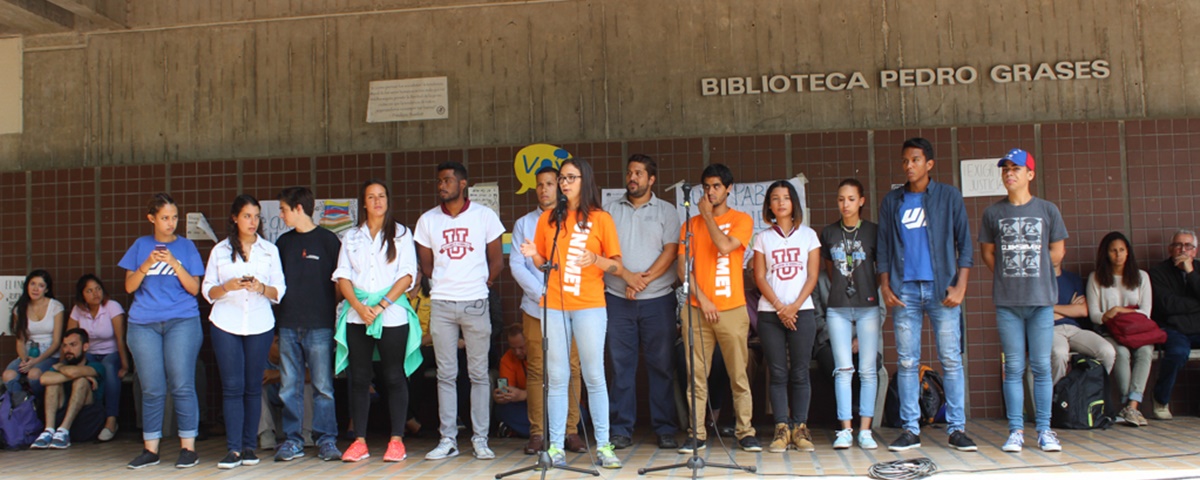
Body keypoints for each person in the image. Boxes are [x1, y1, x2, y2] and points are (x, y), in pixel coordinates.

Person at [519, 158, 626, 468]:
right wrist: (533, 255)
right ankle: (555, 447)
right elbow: (543, 263)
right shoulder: (549, 219)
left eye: (570, 177)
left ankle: (604, 445)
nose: (564, 183)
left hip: (590, 305)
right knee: (556, 377)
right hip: (553, 304)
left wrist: (596, 258)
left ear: (584, 180)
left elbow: (617, 265)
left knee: (593, 375)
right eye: (562, 178)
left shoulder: (601, 219)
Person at [877, 138, 977, 452]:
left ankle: (957, 429)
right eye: (905, 161)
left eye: (915, 160)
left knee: (951, 359)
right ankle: (910, 429)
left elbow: (966, 245)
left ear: (929, 164)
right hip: (904, 289)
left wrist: (961, 286)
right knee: (907, 362)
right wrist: (885, 284)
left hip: (941, 288)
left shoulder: (948, 197)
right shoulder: (892, 201)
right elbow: (882, 248)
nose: (909, 166)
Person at [978, 149, 1068, 453]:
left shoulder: (1047, 210)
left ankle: (1044, 429)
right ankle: (1015, 430)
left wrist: (1037, 273)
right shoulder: (993, 213)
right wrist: (1008, 274)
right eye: (1005, 169)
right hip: (1007, 302)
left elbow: (1058, 250)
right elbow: (988, 253)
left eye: (1015, 168)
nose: (1009, 174)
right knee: (1013, 366)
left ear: (1030, 174)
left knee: (1042, 365)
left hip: (1041, 300)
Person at [415, 162, 505, 461]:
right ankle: (448, 439)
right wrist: (444, 284)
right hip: (441, 303)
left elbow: (497, 260)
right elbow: (426, 266)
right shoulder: (427, 220)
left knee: (478, 374)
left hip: (476, 302)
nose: (442, 185)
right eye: (439, 180)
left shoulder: (484, 215)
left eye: (448, 180)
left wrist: (483, 283)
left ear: (463, 184)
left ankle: (480, 439)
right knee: (446, 375)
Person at [674, 163, 761, 454]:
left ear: (728, 189)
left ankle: (745, 431)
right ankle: (696, 433)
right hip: (698, 308)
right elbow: (683, 270)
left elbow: (724, 247)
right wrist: (703, 299)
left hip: (733, 308)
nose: (710, 192)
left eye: (716, 186)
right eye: (706, 187)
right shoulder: (689, 225)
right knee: (696, 375)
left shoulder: (742, 219)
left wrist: (708, 217)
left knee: (739, 373)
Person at [334, 179, 422, 462]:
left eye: (381, 196)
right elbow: (342, 275)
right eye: (371, 197)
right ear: (364, 203)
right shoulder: (351, 236)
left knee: (393, 375)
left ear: (388, 200)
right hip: (357, 314)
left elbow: (408, 274)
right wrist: (359, 307)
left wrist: (381, 304)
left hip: (392, 313)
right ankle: (359, 440)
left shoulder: (401, 234)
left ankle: (396, 439)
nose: (377, 201)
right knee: (359, 378)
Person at [119, 193, 206, 469]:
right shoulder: (140, 245)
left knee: (182, 383)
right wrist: (146, 264)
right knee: (152, 387)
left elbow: (195, 289)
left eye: (174, 218)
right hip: (144, 323)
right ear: (152, 219)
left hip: (182, 320)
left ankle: (188, 447)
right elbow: (129, 287)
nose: (171, 223)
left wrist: (174, 263)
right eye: (165, 218)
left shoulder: (187, 246)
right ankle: (151, 448)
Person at [603, 154, 681, 450]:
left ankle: (664, 428)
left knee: (661, 365)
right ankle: (621, 429)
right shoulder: (609, 211)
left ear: (651, 179)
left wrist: (641, 280)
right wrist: (627, 278)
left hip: (658, 300)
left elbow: (671, 251)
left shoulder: (666, 210)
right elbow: (605, 251)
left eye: (638, 173)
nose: (632, 178)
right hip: (617, 299)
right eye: (629, 173)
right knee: (621, 366)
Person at [202, 194, 286, 469]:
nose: (253, 222)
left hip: (260, 324)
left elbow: (279, 291)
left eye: (256, 216)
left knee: (253, 386)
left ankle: (250, 447)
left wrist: (260, 287)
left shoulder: (269, 250)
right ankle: (233, 449)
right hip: (226, 323)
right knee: (232, 387)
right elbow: (208, 291)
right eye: (247, 216)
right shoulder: (220, 250)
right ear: (234, 218)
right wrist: (229, 285)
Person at [509, 165, 588, 455]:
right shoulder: (524, 223)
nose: (544, 189)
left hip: (571, 306)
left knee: (572, 368)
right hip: (536, 307)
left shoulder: (578, 220)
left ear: (561, 186)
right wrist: (541, 292)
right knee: (537, 370)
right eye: (540, 185)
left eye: (550, 184)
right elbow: (517, 264)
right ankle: (538, 433)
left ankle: (571, 431)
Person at [272, 186, 344, 461]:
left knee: (323, 386)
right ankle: (293, 440)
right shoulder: (283, 243)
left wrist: (327, 310)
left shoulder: (328, 241)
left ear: (299, 208)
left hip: (320, 325)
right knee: (289, 387)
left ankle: (326, 439)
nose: (281, 214)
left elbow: (339, 283)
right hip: (288, 323)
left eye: (284, 209)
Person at [753, 180, 821, 453]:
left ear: (794, 203)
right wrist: (781, 307)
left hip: (802, 312)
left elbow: (813, 275)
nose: (781, 202)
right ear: (769, 205)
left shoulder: (808, 235)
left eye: (786, 197)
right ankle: (781, 428)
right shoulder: (763, 238)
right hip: (770, 314)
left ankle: (800, 428)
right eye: (775, 198)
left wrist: (793, 308)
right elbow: (759, 276)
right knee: (778, 373)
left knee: (800, 372)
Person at [819, 178, 882, 450]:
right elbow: (829, 268)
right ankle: (845, 429)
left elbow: (880, 269)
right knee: (843, 369)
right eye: (841, 199)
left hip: (868, 307)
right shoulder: (829, 232)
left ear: (862, 201)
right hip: (838, 309)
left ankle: (865, 431)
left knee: (868, 370)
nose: (846, 204)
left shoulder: (873, 232)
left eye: (851, 199)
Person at [1086, 231, 1154, 427]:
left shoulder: (1142, 277)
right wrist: (1111, 315)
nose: (1118, 255)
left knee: (1145, 352)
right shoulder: (1096, 278)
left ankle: (1131, 405)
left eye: (1122, 250)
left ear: (1128, 252)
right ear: (1105, 253)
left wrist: (1116, 310)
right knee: (1121, 353)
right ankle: (1129, 404)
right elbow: (1095, 315)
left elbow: (1146, 312)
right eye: (1113, 251)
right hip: (1111, 331)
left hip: (1138, 331)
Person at [67, 274, 129, 442]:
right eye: (89, 290)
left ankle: (111, 419)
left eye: (98, 289)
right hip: (90, 355)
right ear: (82, 295)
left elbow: (120, 337)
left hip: (111, 353)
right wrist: (78, 367)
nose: (95, 293)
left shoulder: (112, 307)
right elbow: (71, 339)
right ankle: (88, 422)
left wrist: (124, 365)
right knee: (87, 372)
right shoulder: (78, 310)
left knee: (109, 368)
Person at [1149, 229, 1200, 420]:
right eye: (1178, 245)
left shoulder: (1198, 269)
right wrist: (1196, 304)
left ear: (1195, 251)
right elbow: (1167, 305)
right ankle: (1161, 400)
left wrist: (1191, 272)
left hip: (1197, 328)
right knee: (1178, 353)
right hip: (1172, 328)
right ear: (1170, 249)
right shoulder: (1157, 273)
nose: (1183, 250)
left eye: (1188, 246)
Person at [30, 328, 106, 448]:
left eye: (73, 345)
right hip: (58, 421)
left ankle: (64, 431)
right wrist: (77, 374)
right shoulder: (62, 366)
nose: (68, 350)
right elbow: (44, 379)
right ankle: (48, 431)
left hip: (86, 422)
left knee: (81, 381)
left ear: (85, 347)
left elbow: (74, 373)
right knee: (52, 383)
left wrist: (61, 369)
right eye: (65, 346)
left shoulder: (96, 366)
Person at [1051, 262, 1115, 383]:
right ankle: (1057, 397)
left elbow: (1083, 311)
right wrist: (1070, 308)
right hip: (1051, 330)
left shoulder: (1072, 278)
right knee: (1059, 353)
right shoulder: (1037, 280)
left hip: (1074, 329)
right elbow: (1038, 311)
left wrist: (1051, 308)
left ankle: (1091, 393)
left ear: (1063, 251)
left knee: (1107, 351)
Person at [3, 270, 64, 395]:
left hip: (49, 355)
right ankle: (22, 407)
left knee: (34, 374)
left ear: (46, 290)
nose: (36, 289)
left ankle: (37, 403)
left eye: (41, 286)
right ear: (27, 286)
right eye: (33, 284)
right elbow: (20, 341)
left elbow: (57, 342)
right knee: (8, 375)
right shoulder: (20, 309)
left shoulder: (56, 307)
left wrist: (36, 361)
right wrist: (25, 360)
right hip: (27, 355)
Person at [493, 324, 531, 438]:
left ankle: (517, 430)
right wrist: (502, 397)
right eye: (513, 348)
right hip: (523, 407)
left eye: (521, 347)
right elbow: (507, 389)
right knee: (502, 410)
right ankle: (549, 432)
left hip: (547, 404)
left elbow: (553, 390)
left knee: (578, 415)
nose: (517, 352)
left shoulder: (543, 354)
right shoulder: (507, 359)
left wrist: (525, 395)